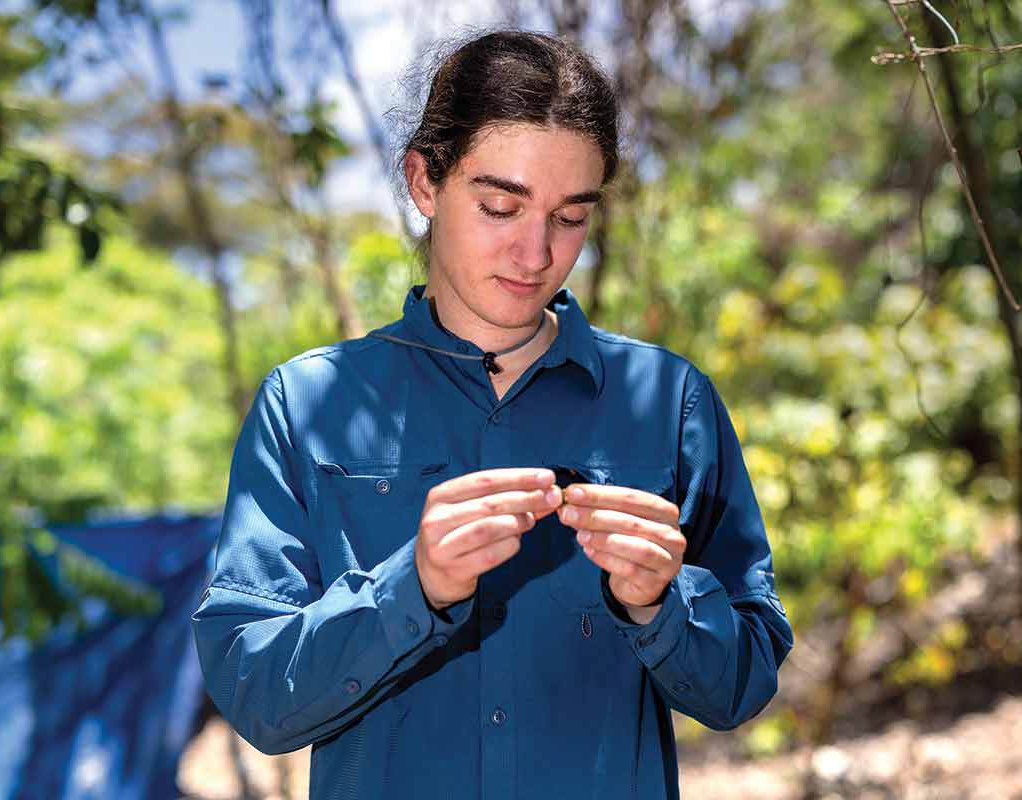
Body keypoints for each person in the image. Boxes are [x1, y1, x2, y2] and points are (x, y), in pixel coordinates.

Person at [192, 29, 793, 799]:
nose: (535, 252)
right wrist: (413, 585)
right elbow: (256, 696)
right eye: (501, 206)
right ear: (423, 182)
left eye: (571, 217)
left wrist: (659, 603)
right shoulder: (307, 405)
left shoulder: (668, 402)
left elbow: (742, 686)